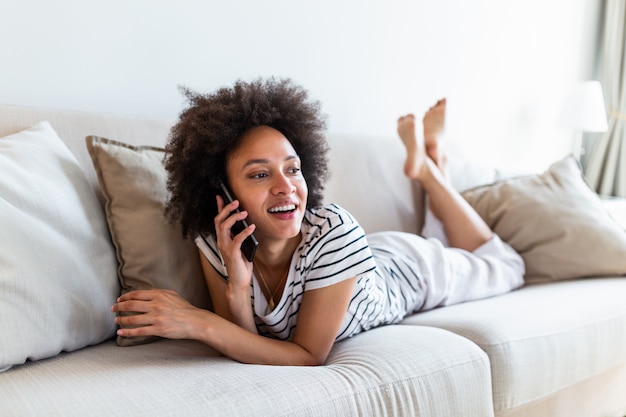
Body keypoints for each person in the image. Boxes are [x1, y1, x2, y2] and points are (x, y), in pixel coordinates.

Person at [111, 78, 524, 366]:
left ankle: (428, 171)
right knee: (451, 239)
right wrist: (237, 286)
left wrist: (197, 321)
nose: (285, 187)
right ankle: (434, 158)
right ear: (222, 191)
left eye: (293, 169)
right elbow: (248, 344)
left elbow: (308, 356)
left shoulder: (334, 229)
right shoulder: (216, 241)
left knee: (504, 264)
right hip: (353, 263)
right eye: (259, 174)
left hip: (407, 271)